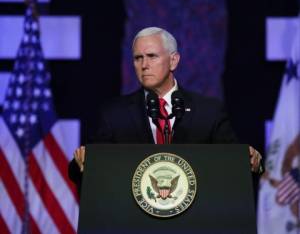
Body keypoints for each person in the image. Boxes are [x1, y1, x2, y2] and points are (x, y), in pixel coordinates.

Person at [69, 27, 262, 188]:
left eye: (152, 56)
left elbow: (237, 167)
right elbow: (84, 170)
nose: (144, 65)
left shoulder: (208, 111)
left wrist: (253, 163)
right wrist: (81, 163)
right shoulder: (115, 114)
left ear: (173, 60)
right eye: (138, 58)